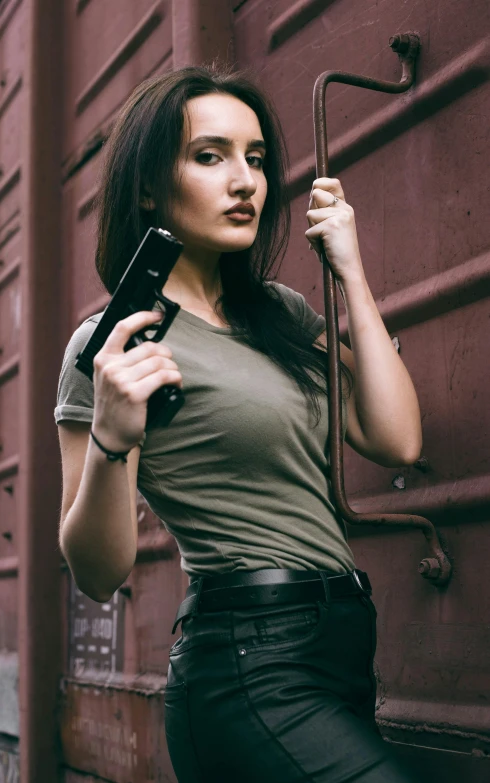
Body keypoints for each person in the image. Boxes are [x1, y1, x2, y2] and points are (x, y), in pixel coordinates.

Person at [55, 63, 422, 782]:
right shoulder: (117, 341)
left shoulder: (278, 312)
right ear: (148, 184)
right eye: (210, 155)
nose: (246, 180)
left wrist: (350, 272)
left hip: (342, 649)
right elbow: (97, 572)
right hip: (248, 663)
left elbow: (396, 437)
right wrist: (111, 438)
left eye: (256, 158)